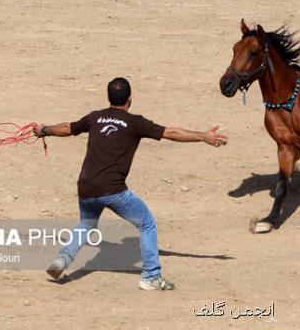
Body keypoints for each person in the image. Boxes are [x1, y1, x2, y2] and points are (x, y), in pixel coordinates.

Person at [34, 77, 227, 290]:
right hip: (113, 190)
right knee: (147, 223)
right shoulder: (135, 123)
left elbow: (66, 128)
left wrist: (44, 130)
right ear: (130, 99)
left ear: (108, 98)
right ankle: (151, 276)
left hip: (86, 187)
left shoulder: (94, 117)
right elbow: (171, 133)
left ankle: (62, 259)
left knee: (87, 225)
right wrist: (203, 136)